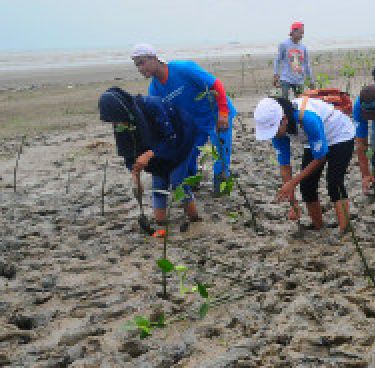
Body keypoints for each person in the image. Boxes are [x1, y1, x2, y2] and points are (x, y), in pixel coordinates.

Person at [131, 44, 236, 194]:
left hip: (215, 114)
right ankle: (191, 184)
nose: (140, 69)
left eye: (142, 62)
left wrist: (223, 112)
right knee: (188, 153)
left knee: (221, 152)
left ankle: (221, 188)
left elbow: (215, 84)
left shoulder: (183, 68)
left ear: (153, 58)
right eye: (137, 66)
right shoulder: (154, 90)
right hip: (193, 123)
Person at [98, 87, 198, 229]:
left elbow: (170, 138)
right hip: (157, 154)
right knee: (158, 187)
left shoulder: (151, 106)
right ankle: (161, 226)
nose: (116, 125)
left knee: (177, 181)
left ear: (123, 111)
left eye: (116, 120)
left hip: (180, 141)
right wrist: (135, 177)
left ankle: (195, 220)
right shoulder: (121, 125)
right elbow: (129, 154)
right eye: (112, 123)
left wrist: (148, 154)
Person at [253, 94, 356, 231]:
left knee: (334, 182)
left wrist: (292, 182)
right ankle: (318, 227)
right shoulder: (278, 132)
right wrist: (293, 203)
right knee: (306, 185)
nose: (273, 135)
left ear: (283, 120)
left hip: (339, 134)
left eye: (274, 131)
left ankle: (345, 229)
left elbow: (321, 157)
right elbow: (284, 165)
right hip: (313, 139)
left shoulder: (308, 118)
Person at [273, 22, 314, 99]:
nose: (302, 36)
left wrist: (311, 80)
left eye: (303, 33)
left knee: (300, 102)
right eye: (300, 33)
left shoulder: (303, 47)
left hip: (299, 80)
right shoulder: (284, 44)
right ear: (293, 32)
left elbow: (307, 65)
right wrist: (276, 74)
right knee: (284, 101)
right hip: (286, 79)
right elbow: (277, 60)